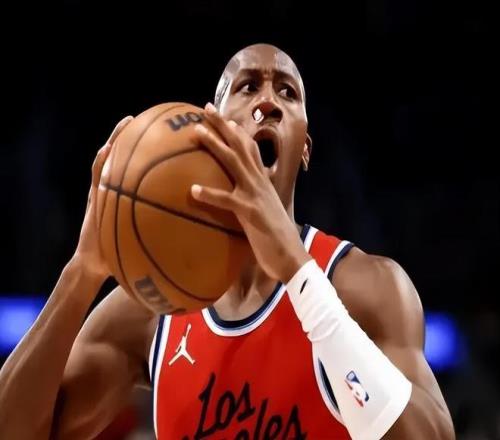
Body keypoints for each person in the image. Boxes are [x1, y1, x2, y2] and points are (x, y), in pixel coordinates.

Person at [0, 44, 455, 440]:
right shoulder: (152, 308)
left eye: (287, 92)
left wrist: (301, 277)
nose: (267, 102)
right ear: (212, 127)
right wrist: (83, 270)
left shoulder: (364, 286)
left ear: (305, 148)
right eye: (248, 86)